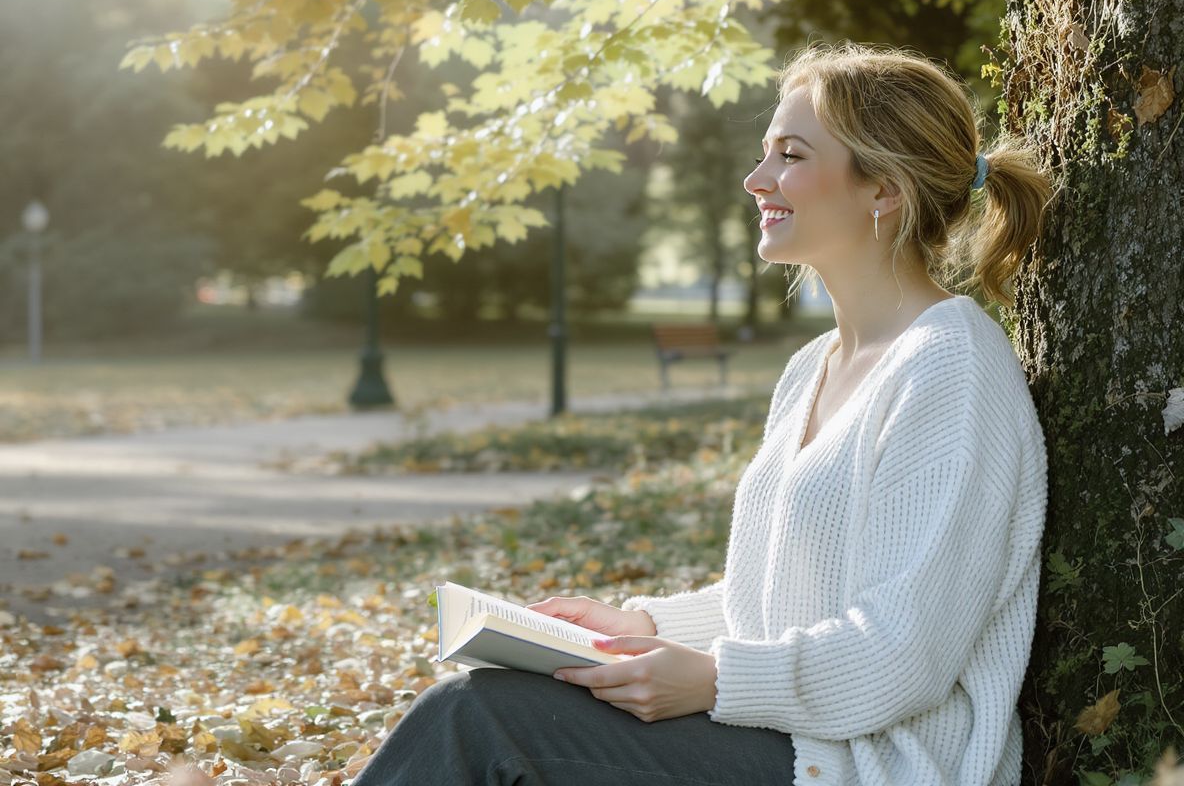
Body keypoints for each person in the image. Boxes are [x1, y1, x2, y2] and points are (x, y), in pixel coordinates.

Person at [350, 40, 1055, 786]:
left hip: (870, 767)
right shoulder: (810, 370)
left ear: (881, 188)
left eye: (790, 155)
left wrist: (717, 679)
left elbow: (904, 653)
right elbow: (782, 600)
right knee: (497, 699)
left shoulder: (953, 365)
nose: (757, 180)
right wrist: (646, 629)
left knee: (482, 720)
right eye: (766, 154)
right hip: (791, 742)